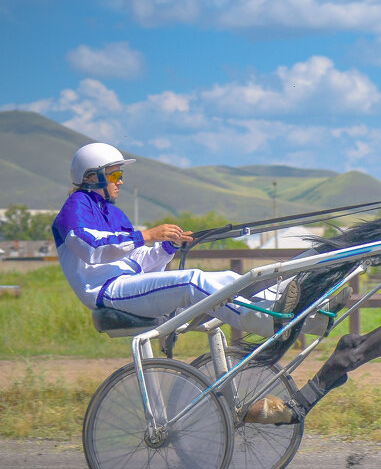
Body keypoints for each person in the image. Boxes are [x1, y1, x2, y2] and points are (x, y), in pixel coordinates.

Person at [52, 142, 299, 337]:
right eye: (115, 175)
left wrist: (167, 246)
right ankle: (265, 321)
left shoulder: (112, 212)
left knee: (228, 278)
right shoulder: (75, 206)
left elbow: (137, 259)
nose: (121, 181)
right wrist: (147, 235)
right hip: (105, 290)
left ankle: (293, 306)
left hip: (128, 283)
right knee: (192, 281)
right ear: (93, 177)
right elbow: (89, 247)